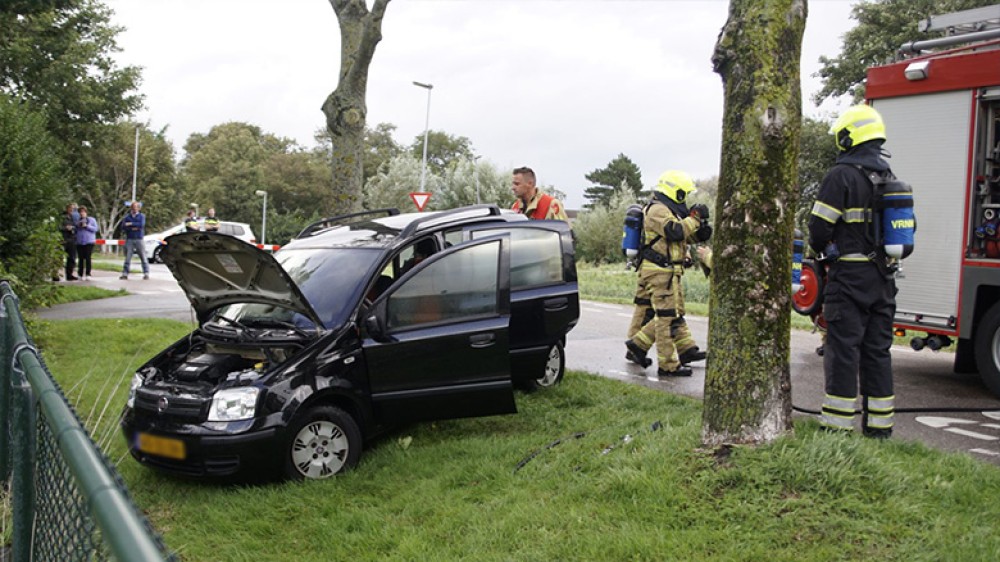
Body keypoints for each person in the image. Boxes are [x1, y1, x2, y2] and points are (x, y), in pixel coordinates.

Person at [808, 104, 898, 439]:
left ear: (849, 136)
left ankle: (836, 429)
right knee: (877, 351)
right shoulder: (889, 177)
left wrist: (823, 252)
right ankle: (879, 429)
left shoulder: (841, 175)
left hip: (849, 279)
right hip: (883, 278)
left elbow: (819, 227)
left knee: (843, 349)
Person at [623, 170, 712, 376]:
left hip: (667, 271)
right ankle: (666, 364)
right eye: (683, 194)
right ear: (675, 191)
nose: (685, 199)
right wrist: (694, 219)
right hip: (660, 271)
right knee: (666, 316)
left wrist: (701, 232)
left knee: (675, 313)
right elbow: (675, 231)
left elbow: (678, 238)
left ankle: (686, 349)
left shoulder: (667, 209)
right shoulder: (657, 209)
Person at [121, 201, 150, 280]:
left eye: (136, 207)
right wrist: (133, 226)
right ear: (131, 208)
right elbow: (123, 227)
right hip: (130, 238)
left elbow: (141, 225)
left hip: (139, 238)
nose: (135, 209)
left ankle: (146, 273)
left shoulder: (141, 216)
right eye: (133, 207)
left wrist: (130, 224)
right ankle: (125, 273)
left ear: (139, 208)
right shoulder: (127, 217)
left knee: (143, 256)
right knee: (127, 257)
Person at [75, 206, 98, 280]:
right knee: (80, 258)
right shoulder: (77, 221)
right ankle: (80, 274)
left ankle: (88, 273)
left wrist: (87, 226)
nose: (82, 213)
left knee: (88, 257)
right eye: (80, 212)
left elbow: (95, 229)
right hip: (80, 242)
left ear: (86, 212)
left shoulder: (92, 220)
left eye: (83, 212)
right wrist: (78, 225)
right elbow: (75, 229)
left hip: (89, 241)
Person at [60, 203, 78, 281]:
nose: (72, 210)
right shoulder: (61, 217)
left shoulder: (73, 218)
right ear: (67, 208)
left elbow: (76, 227)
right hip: (62, 239)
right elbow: (58, 227)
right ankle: (55, 275)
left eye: (74, 209)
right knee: (59, 258)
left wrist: (73, 228)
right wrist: (65, 228)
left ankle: (69, 274)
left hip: (71, 239)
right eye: (71, 208)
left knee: (72, 258)